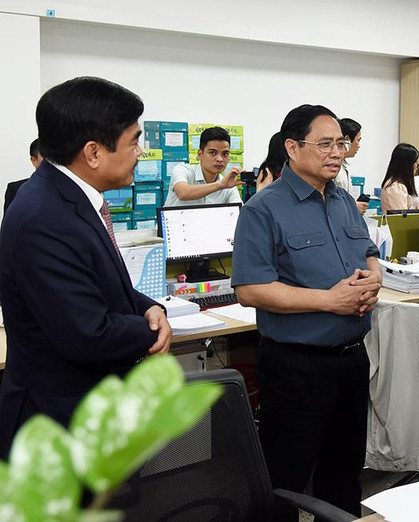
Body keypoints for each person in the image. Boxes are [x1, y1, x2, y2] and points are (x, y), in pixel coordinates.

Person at [0, 76, 172, 459]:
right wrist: (149, 328)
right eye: (133, 141)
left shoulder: (69, 199)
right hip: (55, 426)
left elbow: (103, 281)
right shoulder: (44, 218)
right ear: (93, 152)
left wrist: (148, 306)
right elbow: (87, 333)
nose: (140, 153)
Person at [231, 104, 382, 520]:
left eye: (342, 144)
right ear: (292, 148)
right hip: (298, 366)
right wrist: (328, 300)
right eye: (326, 144)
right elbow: (249, 289)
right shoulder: (263, 209)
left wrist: (375, 277)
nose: (338, 152)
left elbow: (369, 252)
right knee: (286, 476)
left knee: (344, 472)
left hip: (352, 360)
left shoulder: (344, 201)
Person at [164, 126, 243, 206]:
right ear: (200, 154)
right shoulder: (182, 170)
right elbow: (183, 193)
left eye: (225, 154)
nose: (220, 159)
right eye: (213, 153)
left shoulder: (228, 185)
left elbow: (239, 211)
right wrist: (220, 185)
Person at [336, 117, 368, 214]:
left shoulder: (344, 167)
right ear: (347, 140)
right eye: (358, 140)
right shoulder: (333, 169)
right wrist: (352, 207)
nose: (359, 145)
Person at [3, 139, 43, 213]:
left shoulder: (67, 188)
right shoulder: (16, 189)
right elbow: (9, 223)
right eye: (46, 158)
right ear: (34, 160)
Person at [379, 143, 419, 213]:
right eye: (415, 163)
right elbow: (403, 218)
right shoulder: (395, 188)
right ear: (406, 165)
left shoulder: (397, 185)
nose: (416, 166)